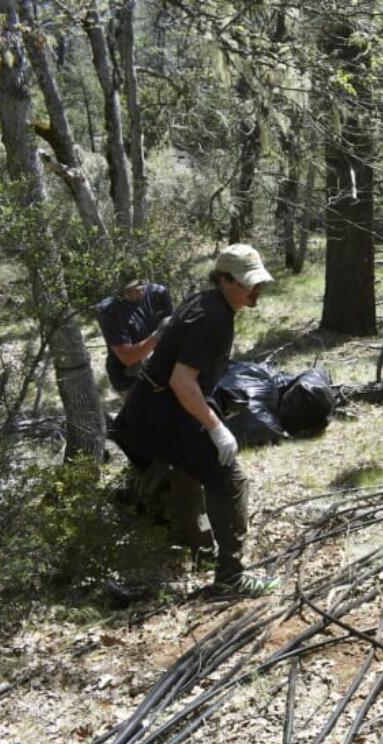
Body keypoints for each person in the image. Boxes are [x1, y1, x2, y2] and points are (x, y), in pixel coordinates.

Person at [114, 244, 276, 595]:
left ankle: (203, 551)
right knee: (229, 477)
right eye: (249, 283)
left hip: (152, 407)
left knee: (189, 471)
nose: (256, 290)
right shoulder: (213, 317)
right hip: (163, 408)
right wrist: (217, 429)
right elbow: (181, 380)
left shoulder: (208, 302)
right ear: (225, 280)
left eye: (258, 282)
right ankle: (231, 575)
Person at [97, 278, 174, 394]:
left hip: (163, 374)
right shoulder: (109, 310)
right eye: (132, 290)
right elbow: (128, 358)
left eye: (141, 287)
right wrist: (158, 334)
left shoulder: (158, 293)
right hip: (130, 380)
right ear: (121, 291)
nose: (140, 292)